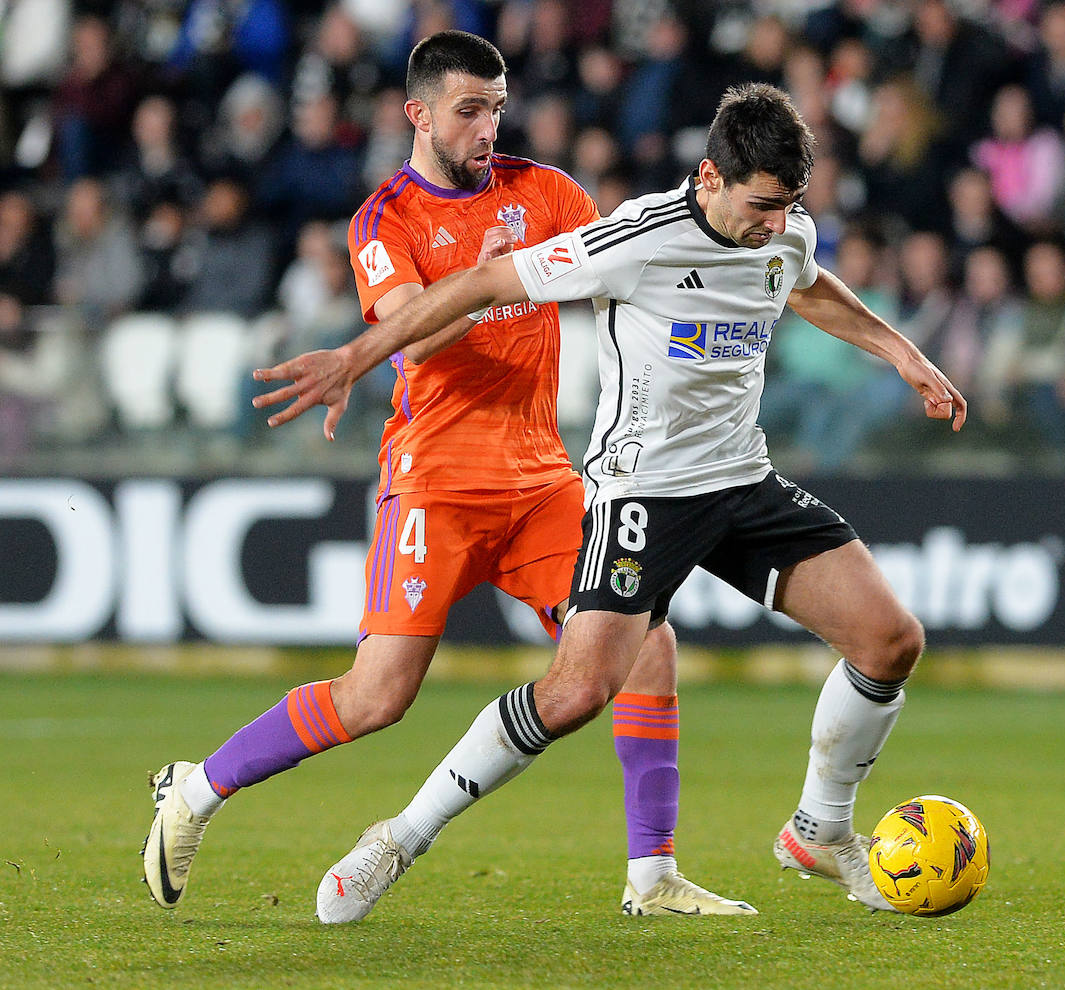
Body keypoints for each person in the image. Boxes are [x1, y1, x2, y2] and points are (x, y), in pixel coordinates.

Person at [252, 82, 967, 922]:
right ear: (710, 178)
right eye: (764, 205)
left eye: (791, 205)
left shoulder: (786, 231)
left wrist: (902, 354)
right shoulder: (634, 238)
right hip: (645, 495)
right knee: (576, 693)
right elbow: (488, 282)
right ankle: (398, 838)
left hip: (740, 479)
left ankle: (818, 829)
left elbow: (804, 281)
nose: (779, 223)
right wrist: (359, 355)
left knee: (890, 641)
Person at [142, 31, 752, 921]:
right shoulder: (385, 220)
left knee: (647, 644)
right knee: (377, 697)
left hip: (544, 478)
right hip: (436, 478)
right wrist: (503, 278)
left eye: (497, 108)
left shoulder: (545, 193)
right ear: (417, 114)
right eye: (470, 110)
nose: (487, 127)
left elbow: (629, 259)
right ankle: (196, 790)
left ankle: (652, 877)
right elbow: (411, 333)